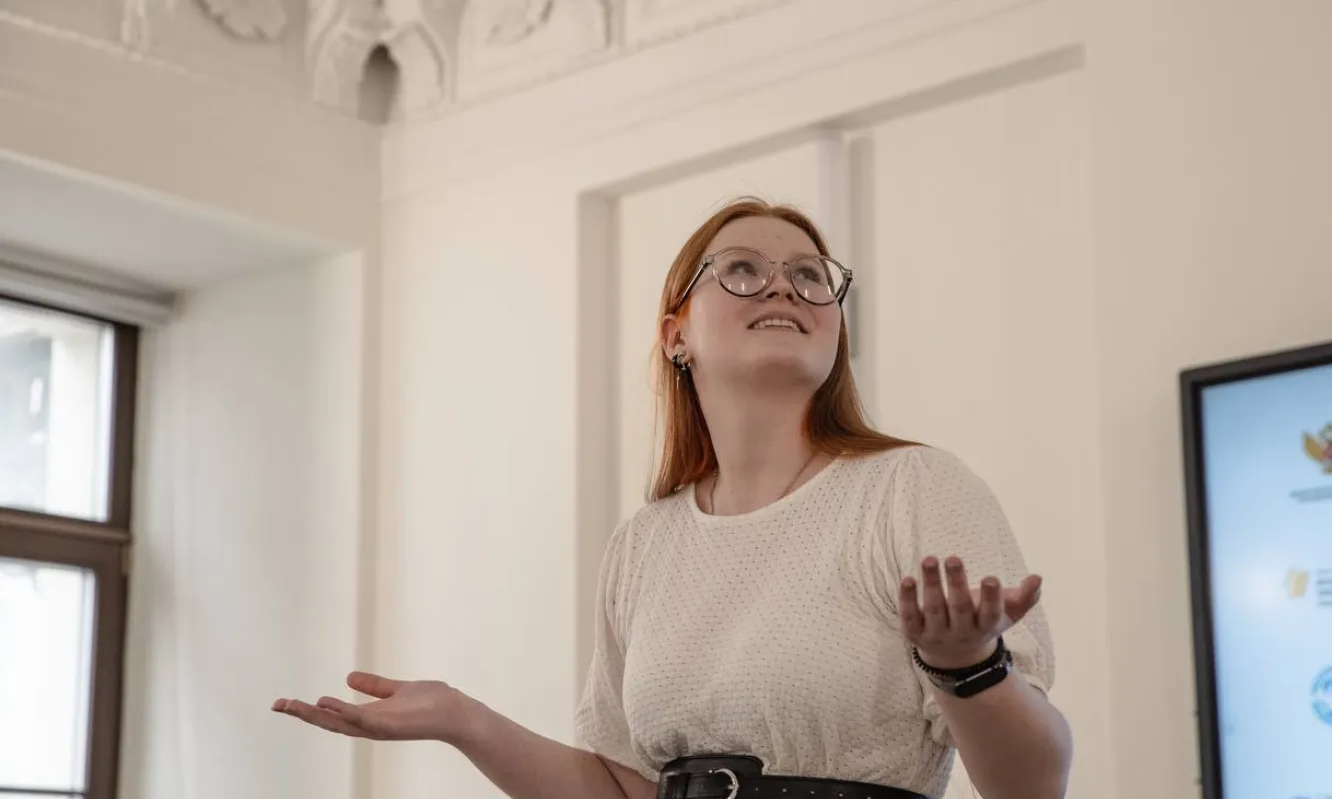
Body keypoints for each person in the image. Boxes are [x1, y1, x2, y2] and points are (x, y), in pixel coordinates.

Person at [272, 198, 1073, 799]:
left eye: (809, 276)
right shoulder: (645, 543)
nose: (784, 288)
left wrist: (969, 667)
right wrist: (462, 720)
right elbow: (620, 788)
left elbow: (1032, 787)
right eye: (743, 270)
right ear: (675, 335)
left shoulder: (912, 487)